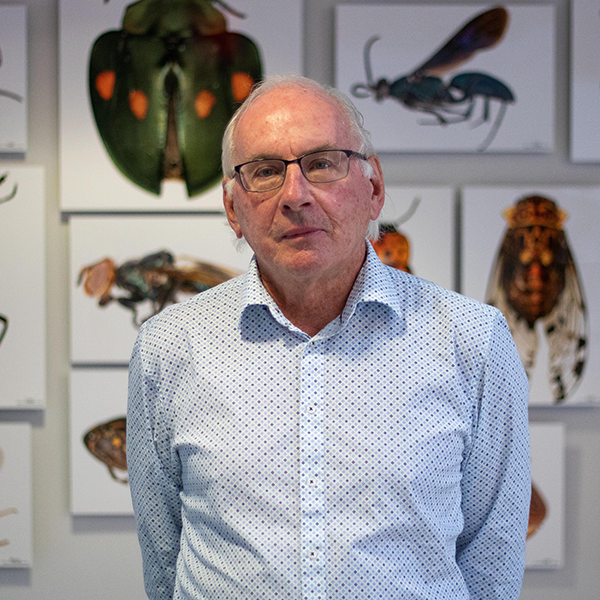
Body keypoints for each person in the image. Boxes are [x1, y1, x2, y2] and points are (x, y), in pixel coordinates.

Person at [127, 74, 530, 600]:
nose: (296, 196)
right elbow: (163, 556)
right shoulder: (169, 347)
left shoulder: (472, 340)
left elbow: (491, 562)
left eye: (321, 163)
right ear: (233, 210)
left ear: (375, 188)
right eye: (266, 172)